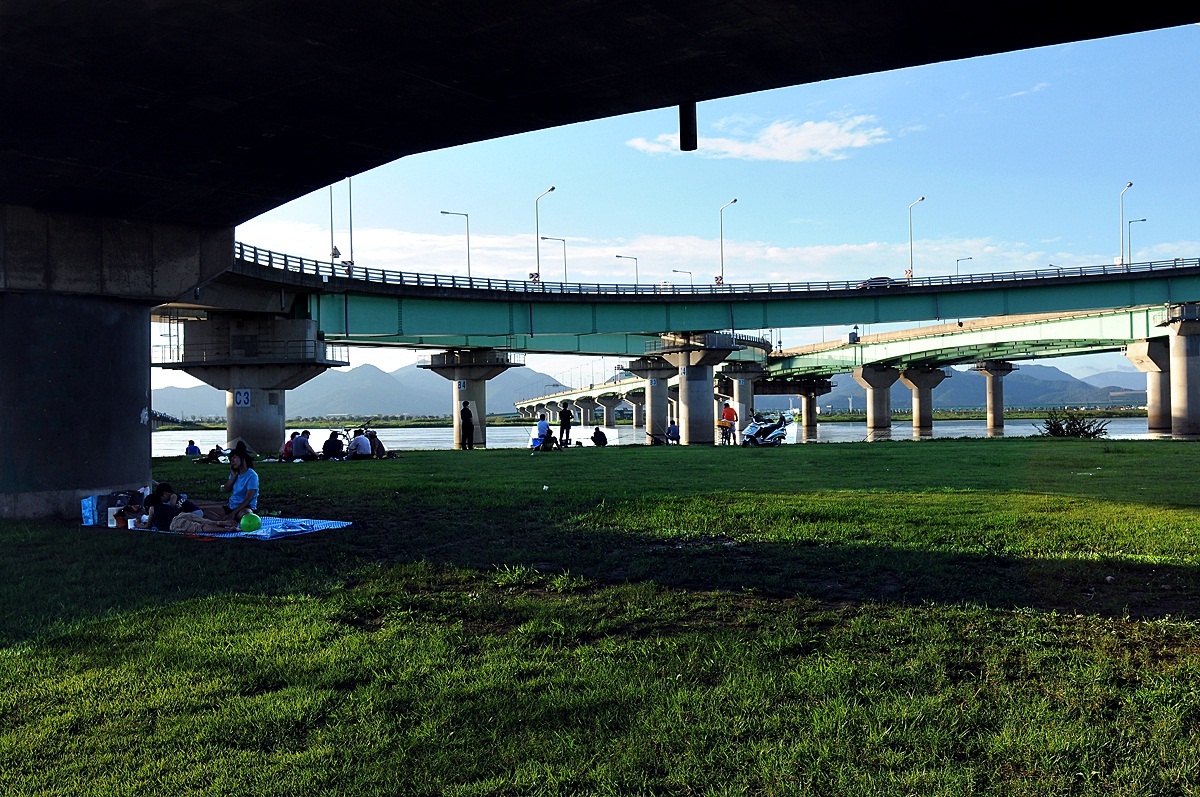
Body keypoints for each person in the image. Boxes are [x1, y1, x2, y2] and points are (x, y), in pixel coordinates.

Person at [135, 482, 202, 531]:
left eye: (162, 498)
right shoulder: (173, 497)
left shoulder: (173, 496)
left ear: (165, 494)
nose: (162, 501)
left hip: (193, 512)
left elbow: (172, 508)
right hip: (193, 512)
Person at [219, 449, 259, 523]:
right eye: (231, 459)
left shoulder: (252, 475)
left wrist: (233, 514)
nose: (232, 461)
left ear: (243, 459)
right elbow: (226, 489)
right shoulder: (234, 474)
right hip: (231, 506)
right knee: (204, 510)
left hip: (245, 507)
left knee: (246, 515)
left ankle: (227, 520)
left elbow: (248, 499)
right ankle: (223, 521)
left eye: (234, 458)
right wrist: (234, 477)